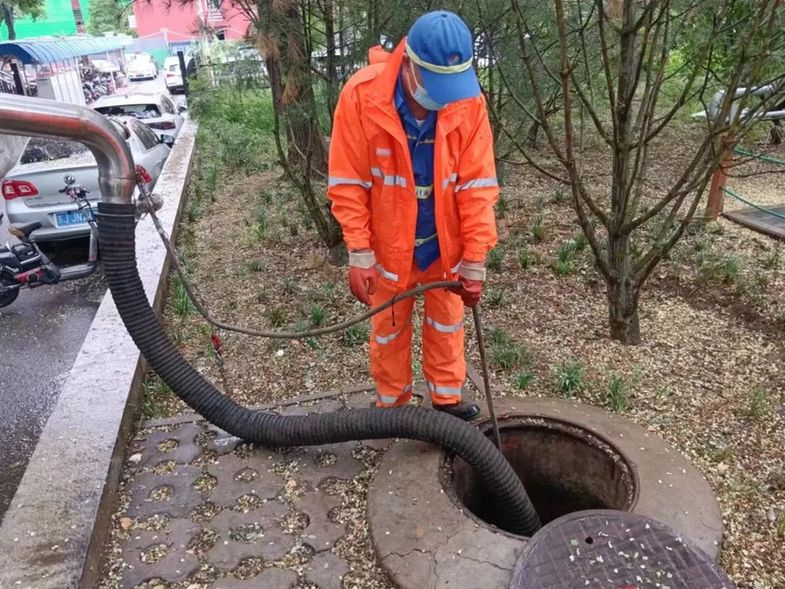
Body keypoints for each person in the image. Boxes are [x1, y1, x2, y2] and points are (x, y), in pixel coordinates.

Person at [327, 10, 498, 420]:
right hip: (388, 250)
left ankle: (446, 402)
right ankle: (394, 410)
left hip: (443, 247)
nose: (445, 96)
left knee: (446, 325)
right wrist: (358, 250)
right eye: (438, 84)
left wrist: (474, 259)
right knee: (389, 331)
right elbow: (348, 181)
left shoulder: (468, 102)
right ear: (409, 65)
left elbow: (477, 187)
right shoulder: (361, 97)